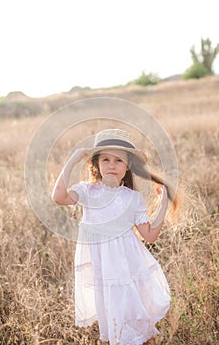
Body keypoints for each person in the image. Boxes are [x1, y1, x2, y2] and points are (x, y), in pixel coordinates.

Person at [52, 128, 178, 345]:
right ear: (96, 164)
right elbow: (59, 197)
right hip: (103, 268)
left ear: (127, 166)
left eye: (118, 160)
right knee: (113, 316)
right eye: (106, 159)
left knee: (133, 315)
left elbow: (150, 235)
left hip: (128, 267)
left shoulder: (133, 198)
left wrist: (164, 201)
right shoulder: (88, 191)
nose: (111, 165)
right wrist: (72, 161)